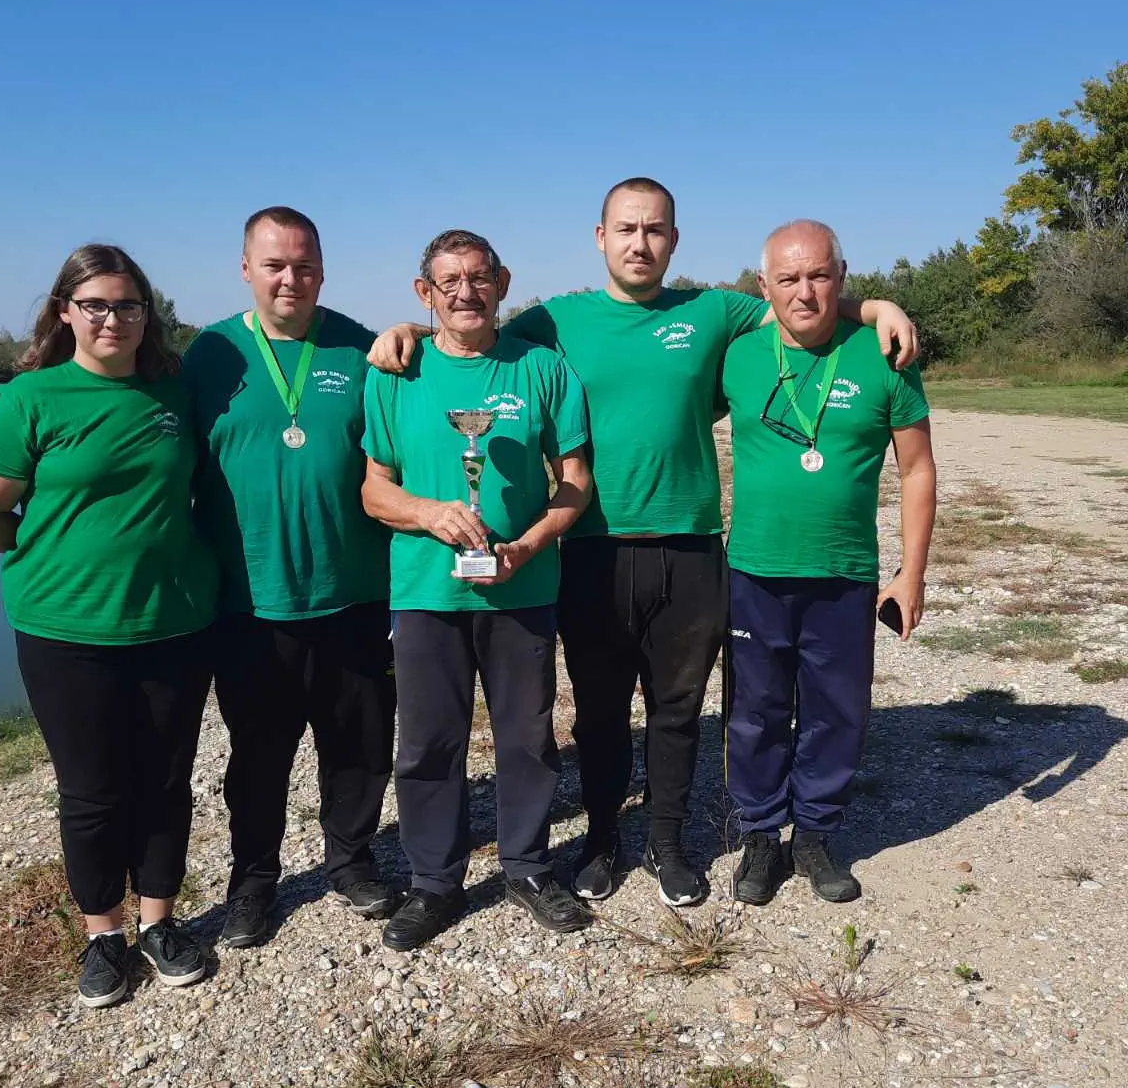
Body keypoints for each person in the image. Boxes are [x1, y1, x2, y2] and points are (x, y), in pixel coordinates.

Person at [369, 180, 918, 909]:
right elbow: (469, 332)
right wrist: (402, 329)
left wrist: (876, 305)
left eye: (655, 230)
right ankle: (601, 839)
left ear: (674, 240)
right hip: (594, 545)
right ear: (600, 237)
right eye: (626, 229)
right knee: (598, 709)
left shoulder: (713, 311)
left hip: (690, 545)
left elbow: (801, 303)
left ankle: (668, 843)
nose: (640, 243)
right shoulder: (553, 323)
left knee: (678, 708)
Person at [0, 245, 218, 1008]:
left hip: (174, 621)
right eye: (94, 304)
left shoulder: (172, 395)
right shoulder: (31, 398)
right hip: (66, 632)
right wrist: (48, 556)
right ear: (64, 311)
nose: (111, 319)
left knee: (167, 782)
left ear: (146, 317)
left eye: (127, 305)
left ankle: (160, 922)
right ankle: (104, 936)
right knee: (93, 792)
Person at [361, 229, 593, 951]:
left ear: (502, 281)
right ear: (424, 294)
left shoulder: (544, 370)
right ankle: (434, 883)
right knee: (429, 743)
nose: (467, 291)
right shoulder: (397, 372)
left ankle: (526, 867)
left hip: (521, 590)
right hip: (427, 593)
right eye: (449, 281)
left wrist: (526, 544)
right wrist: (430, 514)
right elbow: (373, 492)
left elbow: (577, 483)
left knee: (527, 738)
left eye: (480, 277)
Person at [182, 207, 396, 948]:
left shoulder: (361, 347)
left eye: (304, 265)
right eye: (274, 264)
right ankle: (253, 882)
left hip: (355, 590)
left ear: (322, 272)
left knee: (360, 745)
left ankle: (352, 860)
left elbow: (427, 390)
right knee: (259, 755)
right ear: (246, 269)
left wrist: (419, 332)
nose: (289, 279)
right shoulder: (208, 354)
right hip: (249, 600)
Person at [722, 220, 937, 905]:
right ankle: (760, 835)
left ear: (841, 277)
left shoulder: (884, 356)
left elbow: (917, 471)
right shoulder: (736, 354)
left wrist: (912, 571)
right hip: (754, 570)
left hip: (845, 573)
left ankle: (813, 832)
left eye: (819, 275)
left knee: (836, 710)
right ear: (765, 287)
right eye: (788, 278)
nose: (805, 291)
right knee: (754, 710)